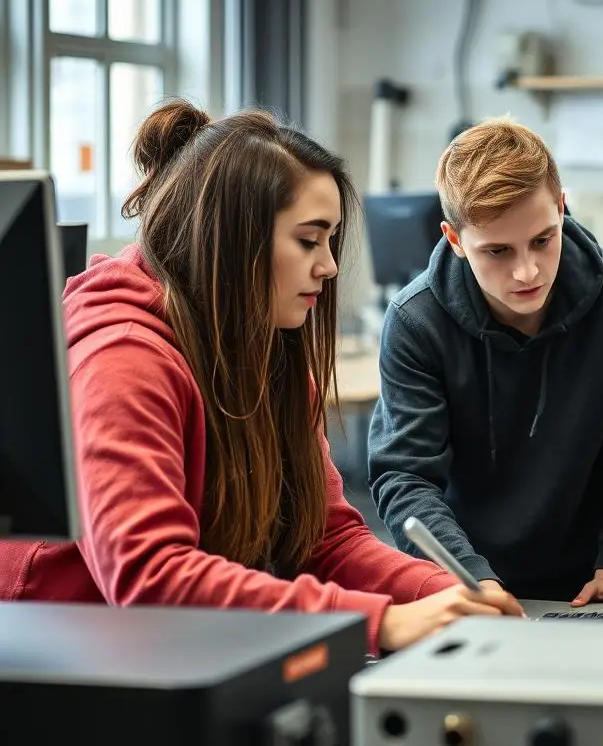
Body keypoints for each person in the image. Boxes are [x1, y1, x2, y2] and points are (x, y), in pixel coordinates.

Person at [0, 99, 523, 655]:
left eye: (330, 240)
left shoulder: (269, 347)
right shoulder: (123, 358)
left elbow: (329, 541)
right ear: (233, 238)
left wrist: (453, 596)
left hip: (179, 653)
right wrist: (383, 623)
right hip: (71, 659)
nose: (329, 266)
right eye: (308, 239)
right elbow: (151, 577)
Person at [368, 117, 603, 605]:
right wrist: (468, 578)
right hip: (471, 582)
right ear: (455, 240)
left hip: (601, 582)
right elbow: (406, 476)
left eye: (543, 240)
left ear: (563, 208)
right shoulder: (416, 321)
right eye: (498, 251)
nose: (526, 270)